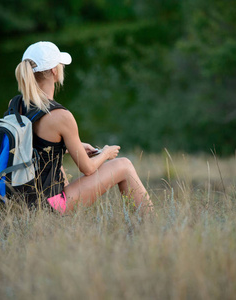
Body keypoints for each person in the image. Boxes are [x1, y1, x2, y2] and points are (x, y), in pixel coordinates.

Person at [13, 41, 153, 215]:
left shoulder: (17, 105)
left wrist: (68, 148)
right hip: (50, 206)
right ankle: (151, 226)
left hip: (21, 202)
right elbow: (87, 168)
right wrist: (106, 154)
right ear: (54, 71)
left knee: (62, 172)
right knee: (123, 165)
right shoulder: (60, 116)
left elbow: (30, 147)